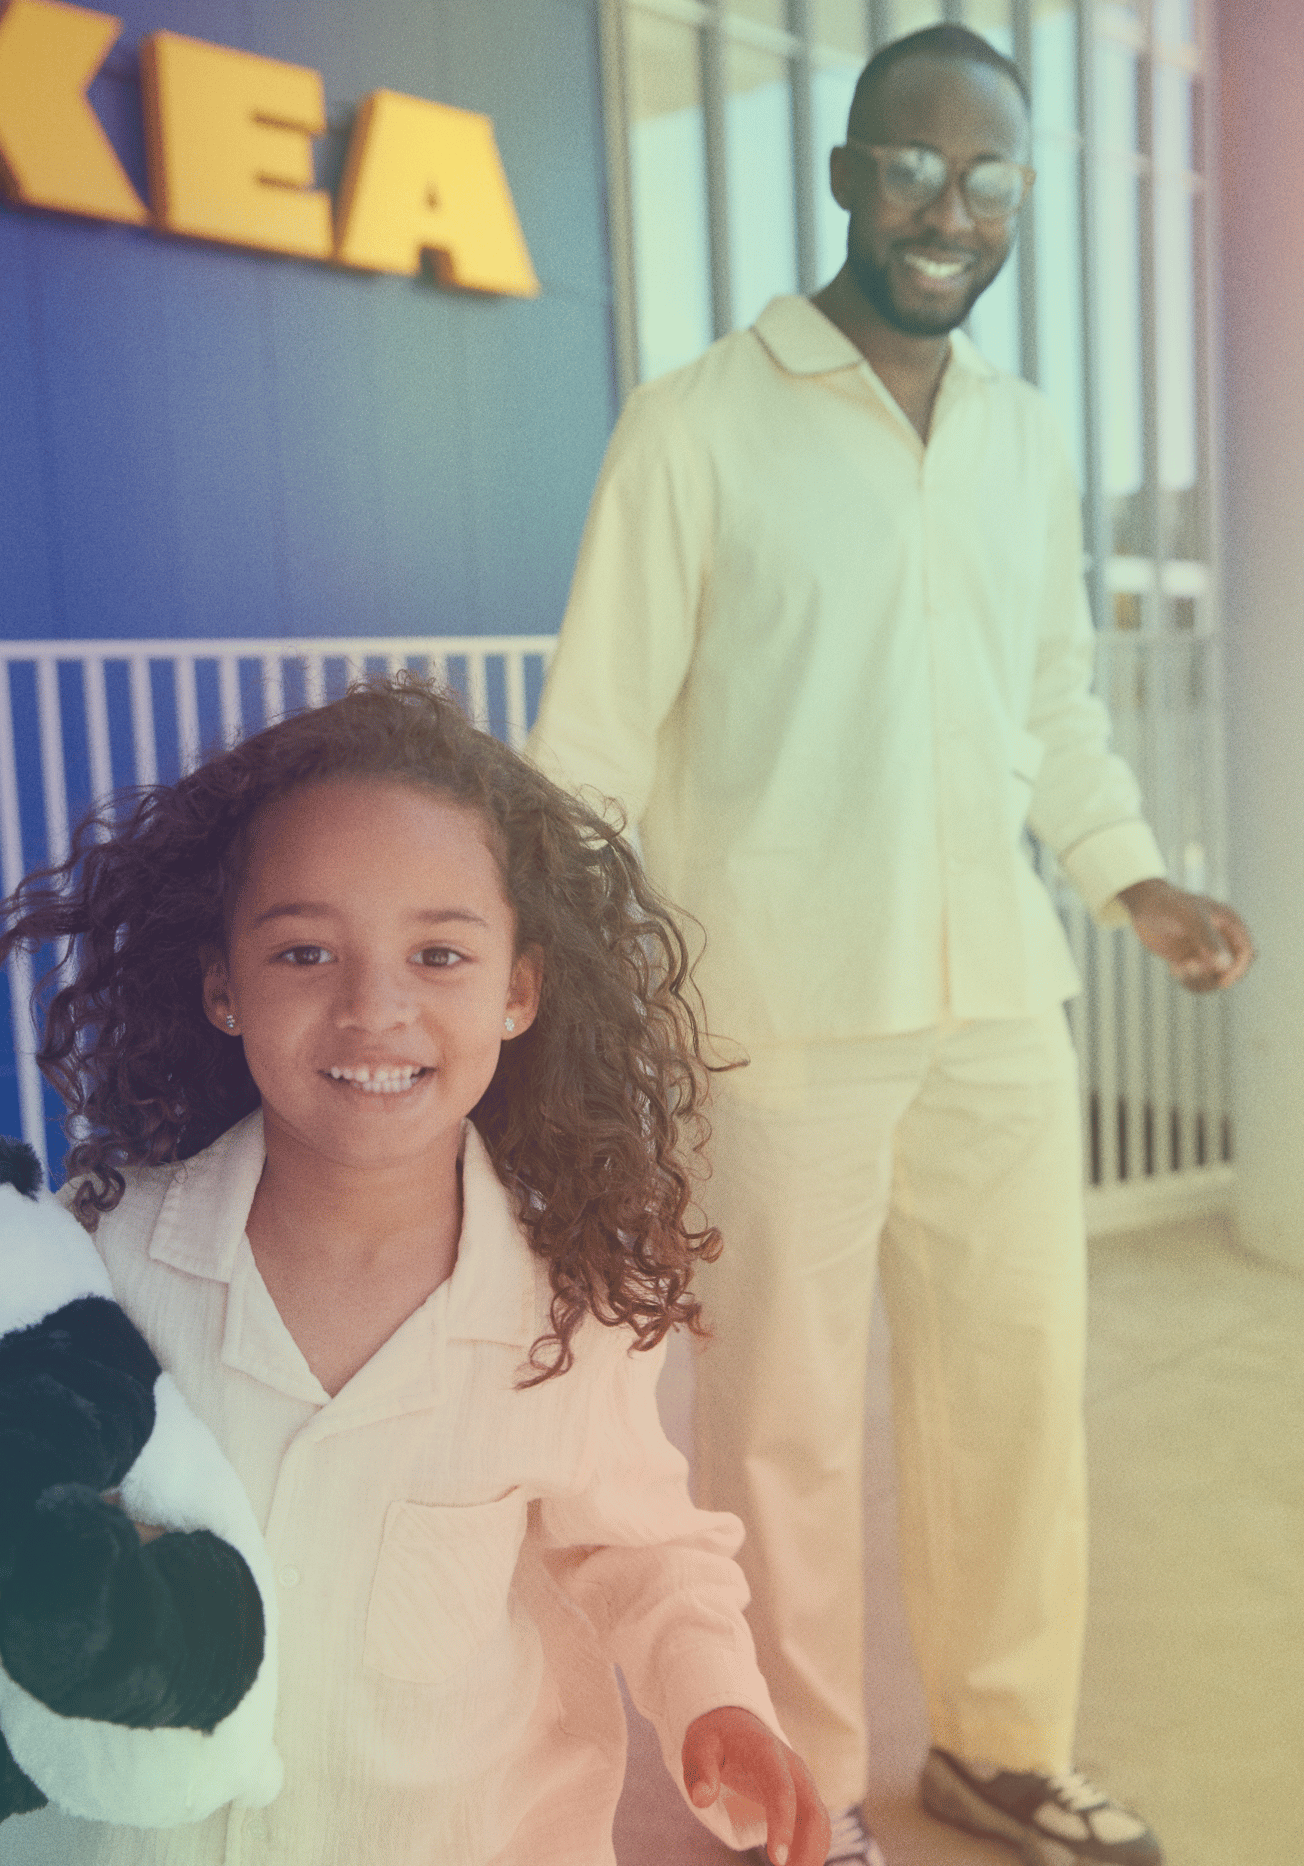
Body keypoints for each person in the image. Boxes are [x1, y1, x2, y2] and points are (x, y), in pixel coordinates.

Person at [527, 23, 1253, 1866]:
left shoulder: (1018, 438)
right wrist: (554, 994)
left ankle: (1001, 1746)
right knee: (779, 1433)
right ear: (847, 173)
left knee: (1013, 1400)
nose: (951, 207)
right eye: (915, 165)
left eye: (990, 176)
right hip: (778, 1010)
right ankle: (810, 1791)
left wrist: (1129, 876)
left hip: (1002, 996)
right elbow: (591, 748)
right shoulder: (698, 420)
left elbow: (1057, 708)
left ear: (1020, 199)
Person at [0, 677, 832, 1866]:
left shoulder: (569, 1302)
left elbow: (640, 1546)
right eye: (304, 951)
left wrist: (719, 1697)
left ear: (518, 992)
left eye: (439, 954)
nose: (372, 1009)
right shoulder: (94, 1253)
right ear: (221, 984)